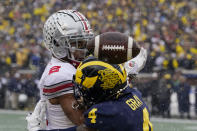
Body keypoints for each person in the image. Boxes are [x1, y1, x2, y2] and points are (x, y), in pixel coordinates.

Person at [41, 56, 153, 131]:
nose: (81, 93)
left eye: (85, 88)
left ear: (100, 90)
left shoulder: (103, 112)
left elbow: (79, 128)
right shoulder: (134, 93)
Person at [26, 9, 94, 130]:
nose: (85, 49)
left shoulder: (68, 66)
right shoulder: (61, 74)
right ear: (58, 44)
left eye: (85, 42)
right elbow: (82, 122)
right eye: (78, 44)